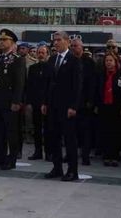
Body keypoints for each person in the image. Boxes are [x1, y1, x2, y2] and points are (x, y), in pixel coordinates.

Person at [43, 30, 83, 182]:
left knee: (69, 140)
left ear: (67, 41)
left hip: (67, 107)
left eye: (59, 40)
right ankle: (57, 167)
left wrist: (73, 106)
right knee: (54, 138)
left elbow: (77, 85)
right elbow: (48, 83)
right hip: (53, 105)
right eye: (54, 40)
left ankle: (72, 171)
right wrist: (45, 102)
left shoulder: (74, 60)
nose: (56, 42)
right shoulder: (52, 59)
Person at [0, 29, 26, 171]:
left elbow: (19, 82)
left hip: (10, 102)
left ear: (12, 42)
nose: (1, 42)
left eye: (4, 40)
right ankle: (0, 157)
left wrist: (16, 101)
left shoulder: (17, 59)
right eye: (1, 40)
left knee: (11, 132)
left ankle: (12, 159)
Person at [95, 52, 121, 166]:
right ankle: (107, 155)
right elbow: (97, 91)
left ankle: (115, 155)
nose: (108, 63)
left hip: (117, 107)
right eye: (106, 61)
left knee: (116, 132)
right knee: (105, 131)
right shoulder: (101, 75)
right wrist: (97, 105)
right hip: (104, 107)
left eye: (110, 60)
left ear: (115, 62)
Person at [71, 36, 96, 166]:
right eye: (73, 46)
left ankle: (85, 155)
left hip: (85, 101)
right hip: (72, 103)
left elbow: (92, 83)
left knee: (85, 131)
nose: (74, 48)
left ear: (82, 47)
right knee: (71, 131)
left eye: (77, 46)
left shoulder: (89, 62)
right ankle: (71, 154)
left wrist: (90, 100)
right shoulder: (69, 61)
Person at [25, 45, 49, 160]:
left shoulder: (50, 67)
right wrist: (29, 102)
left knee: (49, 129)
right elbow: (29, 85)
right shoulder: (33, 68)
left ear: (47, 54)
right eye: (39, 52)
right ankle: (38, 151)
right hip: (35, 102)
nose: (40, 54)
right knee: (37, 128)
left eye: (43, 53)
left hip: (47, 103)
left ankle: (49, 153)